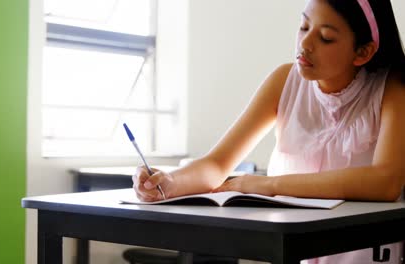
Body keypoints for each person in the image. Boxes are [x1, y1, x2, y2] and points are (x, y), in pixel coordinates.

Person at [132, 0, 405, 263]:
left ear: (363, 52)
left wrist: (270, 185)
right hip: (296, 249)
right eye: (304, 26)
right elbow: (217, 164)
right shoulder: (283, 80)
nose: (305, 44)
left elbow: (385, 182)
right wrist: (169, 183)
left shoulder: (392, 88)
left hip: (363, 250)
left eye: (325, 38)